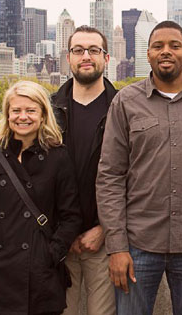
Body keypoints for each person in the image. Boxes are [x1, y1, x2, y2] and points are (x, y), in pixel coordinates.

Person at [96, 20, 182, 315]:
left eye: (174, 46)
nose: (166, 51)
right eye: (158, 46)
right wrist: (117, 247)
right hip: (137, 243)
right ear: (147, 54)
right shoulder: (125, 102)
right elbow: (109, 177)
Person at [0, 80, 81, 315]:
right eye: (16, 110)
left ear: (42, 114)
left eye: (30, 110)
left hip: (38, 273)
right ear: (7, 114)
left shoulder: (58, 157)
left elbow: (71, 216)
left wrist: (50, 254)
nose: (22, 117)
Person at [52, 25, 118, 315]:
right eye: (78, 50)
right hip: (57, 242)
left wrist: (104, 229)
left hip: (104, 241)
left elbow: (135, 177)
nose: (86, 56)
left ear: (106, 57)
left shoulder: (123, 108)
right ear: (68, 58)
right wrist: (61, 233)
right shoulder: (49, 110)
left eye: (93, 50)